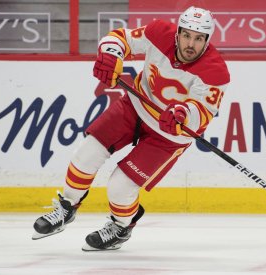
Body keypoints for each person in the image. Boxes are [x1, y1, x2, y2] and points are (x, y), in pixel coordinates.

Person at [32, 6, 230, 251]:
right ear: (177, 33)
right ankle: (66, 208)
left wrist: (183, 114)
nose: (191, 44)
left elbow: (202, 112)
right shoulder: (159, 32)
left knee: (120, 186)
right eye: (187, 35)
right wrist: (111, 55)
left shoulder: (216, 71)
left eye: (199, 39)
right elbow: (120, 38)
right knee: (86, 153)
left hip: (169, 134)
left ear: (207, 41)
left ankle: (121, 227)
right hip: (135, 107)